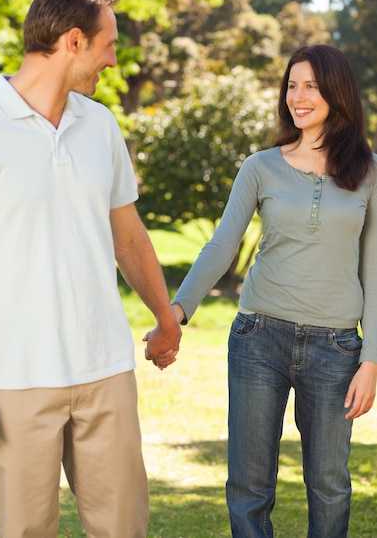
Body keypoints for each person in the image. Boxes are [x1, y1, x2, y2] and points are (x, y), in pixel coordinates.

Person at [0, 0, 181, 538]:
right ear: (74, 41)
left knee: (122, 529)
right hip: (15, 377)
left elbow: (127, 236)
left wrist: (163, 316)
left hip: (104, 369)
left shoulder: (99, 124)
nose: (113, 60)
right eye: (109, 44)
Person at [165, 44, 377, 537]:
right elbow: (221, 246)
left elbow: (375, 270)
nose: (298, 97)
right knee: (249, 485)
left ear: (338, 93)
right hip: (258, 338)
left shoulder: (368, 170)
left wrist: (371, 359)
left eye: (311, 86)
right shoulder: (260, 166)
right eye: (291, 85)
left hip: (337, 348)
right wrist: (176, 311)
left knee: (329, 485)